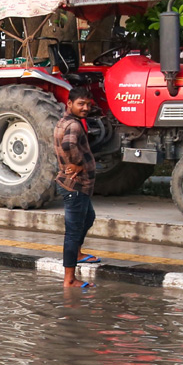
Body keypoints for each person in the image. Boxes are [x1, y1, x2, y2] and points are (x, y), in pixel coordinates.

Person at [55, 86, 102, 288]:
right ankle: (70, 280)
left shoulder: (64, 121)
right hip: (75, 186)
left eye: (88, 104)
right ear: (70, 104)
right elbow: (68, 145)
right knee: (72, 232)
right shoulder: (73, 126)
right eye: (80, 104)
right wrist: (77, 164)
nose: (85, 108)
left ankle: (78, 253)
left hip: (75, 185)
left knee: (89, 217)